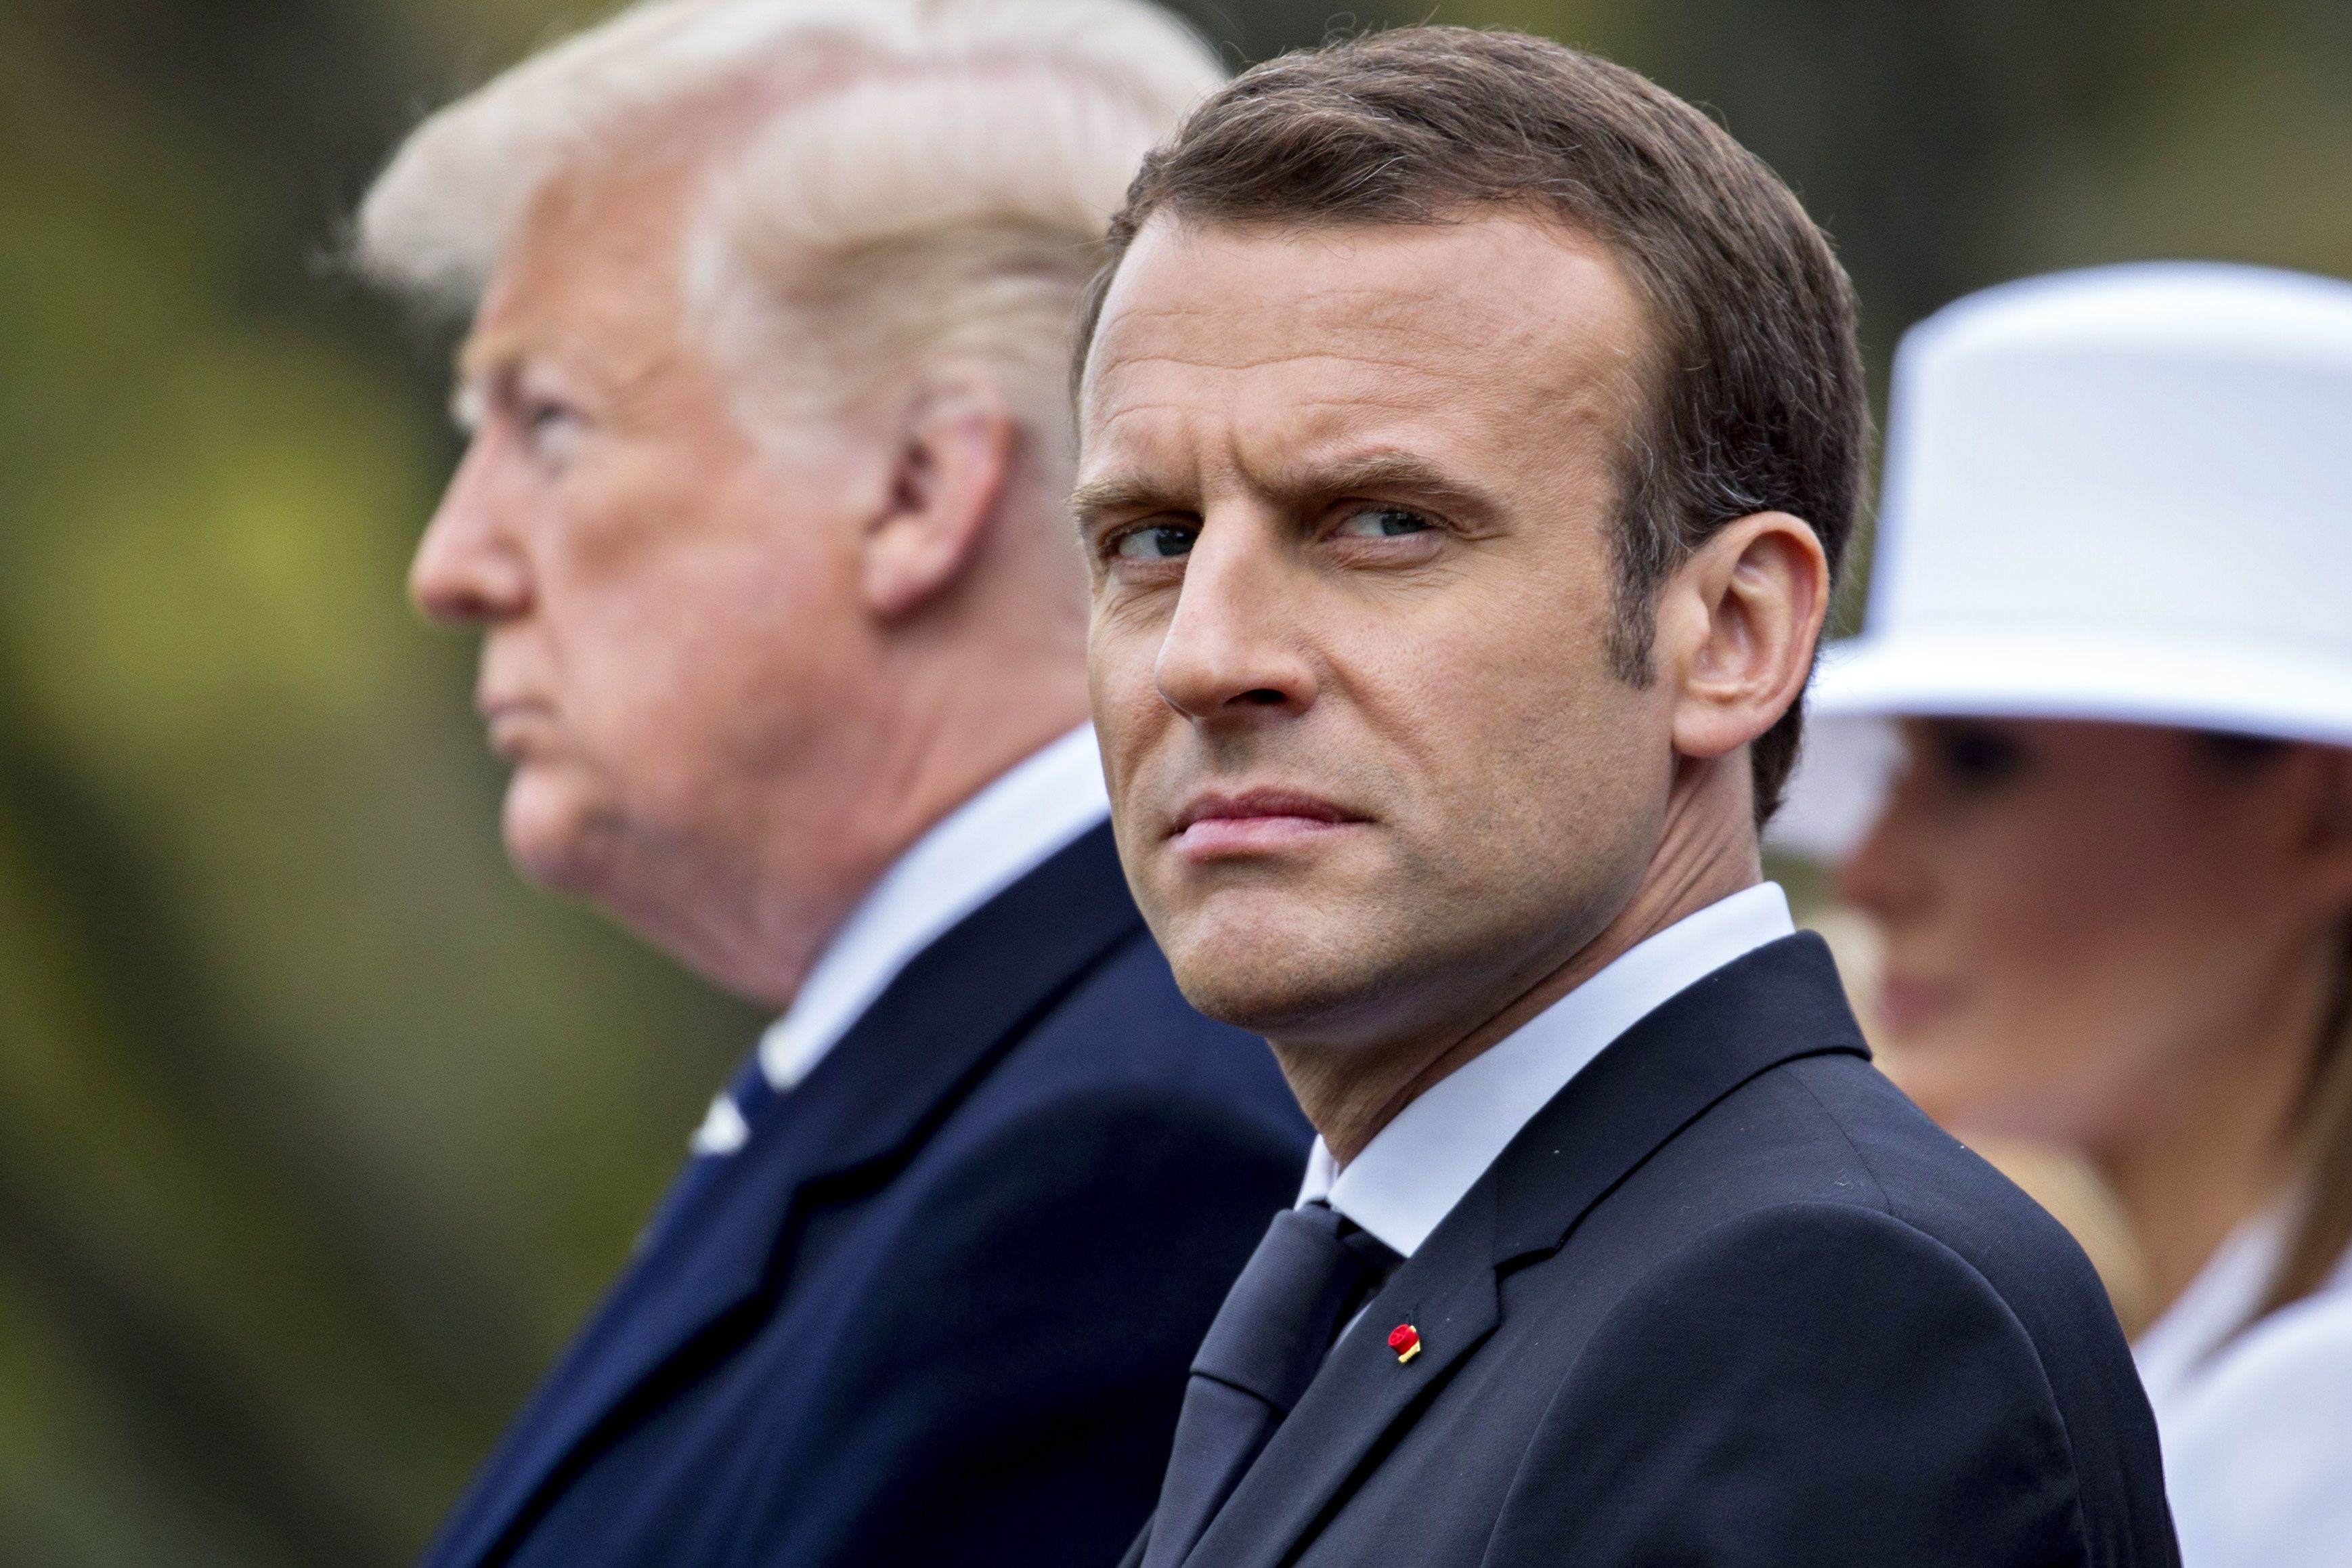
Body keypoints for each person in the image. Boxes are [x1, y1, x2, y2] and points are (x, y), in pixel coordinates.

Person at [1072, 28, 2179, 1568]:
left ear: (1731, 635)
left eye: (1383, 522)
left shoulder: (1821, 1312)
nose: (1207, 657)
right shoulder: (1450, 1270)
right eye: (1149, 539)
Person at [355, 3, 1312, 1565]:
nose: (451, 564)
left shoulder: (1109, 1179)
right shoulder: (986, 1105)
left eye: (549, 421)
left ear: (921, 487)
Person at [1792, 262, 2352, 1568]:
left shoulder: (2310, 1447)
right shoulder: (2179, 1394)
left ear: (2317, 820)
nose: (1868, 870)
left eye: (1982, 762)